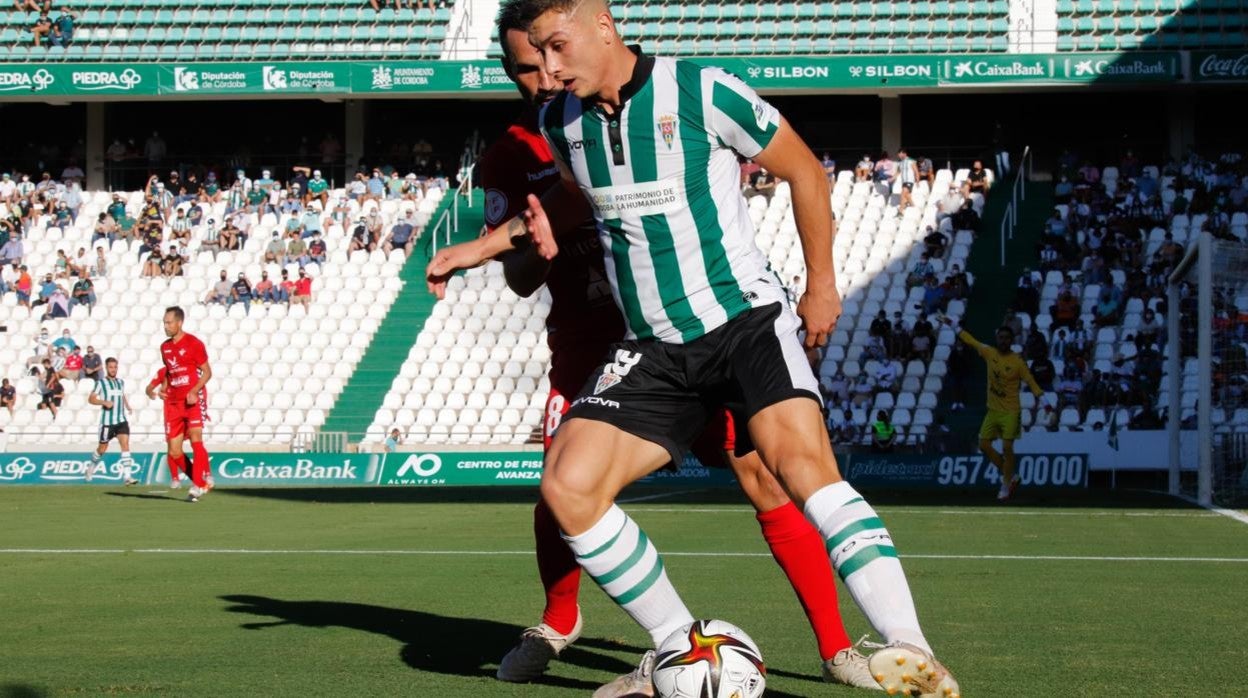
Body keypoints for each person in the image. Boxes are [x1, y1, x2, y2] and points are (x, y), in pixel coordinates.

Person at [430, 3, 959, 696]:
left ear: (600, 24)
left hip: (743, 324)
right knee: (567, 485)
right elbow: (567, 197)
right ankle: (681, 646)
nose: (549, 71)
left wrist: (822, 287)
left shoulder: (702, 89)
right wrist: (483, 247)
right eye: (537, 57)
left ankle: (908, 647)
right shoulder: (561, 123)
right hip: (654, 346)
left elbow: (804, 169)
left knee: (799, 470)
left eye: (557, 49)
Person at [942, 317, 1045, 501]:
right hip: (993, 411)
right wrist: (952, 325)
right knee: (983, 445)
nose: (1003, 340)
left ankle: (1005, 485)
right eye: (1000, 337)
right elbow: (970, 340)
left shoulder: (1017, 361)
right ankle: (1011, 475)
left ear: (1011, 341)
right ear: (997, 339)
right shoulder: (989, 353)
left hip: (1011, 411)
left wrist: (1044, 401)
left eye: (1006, 338)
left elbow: (1030, 381)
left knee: (1007, 446)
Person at [151, 306, 213, 502]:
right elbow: (170, 372)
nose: (166, 326)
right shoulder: (165, 347)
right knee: (174, 451)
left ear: (179, 322)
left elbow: (207, 372)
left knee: (196, 439)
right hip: (174, 403)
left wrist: (194, 391)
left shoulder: (194, 343)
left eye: (169, 322)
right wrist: (164, 387)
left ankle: (198, 483)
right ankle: (201, 482)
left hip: (192, 400)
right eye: (164, 322)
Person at [86, 357, 139, 485]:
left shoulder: (121, 382)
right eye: (111, 367)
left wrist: (127, 405)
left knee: (125, 444)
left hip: (121, 420)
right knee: (102, 448)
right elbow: (91, 399)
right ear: (106, 368)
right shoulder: (101, 383)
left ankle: (127, 477)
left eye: (115, 367)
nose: (113, 369)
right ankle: (91, 467)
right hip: (107, 423)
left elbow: (121, 394)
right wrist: (104, 402)